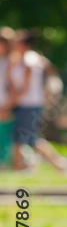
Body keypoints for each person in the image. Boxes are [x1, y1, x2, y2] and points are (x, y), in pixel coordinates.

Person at [8, 29, 67, 171]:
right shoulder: (20, 59)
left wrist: (9, 103)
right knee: (22, 137)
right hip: (23, 104)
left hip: (30, 104)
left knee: (30, 138)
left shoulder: (30, 59)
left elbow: (24, 87)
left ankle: (59, 163)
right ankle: (19, 167)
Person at [0, 27, 14, 166]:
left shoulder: (10, 62)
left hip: (5, 103)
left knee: (4, 134)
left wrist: (8, 104)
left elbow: (12, 85)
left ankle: (4, 162)